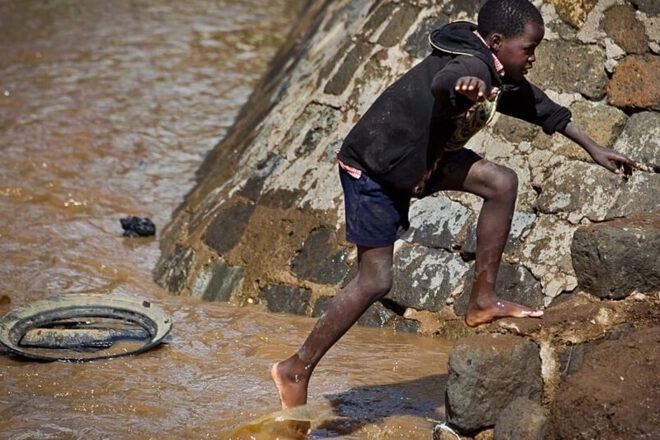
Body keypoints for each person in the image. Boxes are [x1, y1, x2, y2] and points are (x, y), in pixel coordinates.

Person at [272, 0, 635, 409]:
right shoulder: (472, 67)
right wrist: (464, 87)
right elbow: (446, 80)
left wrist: (595, 148)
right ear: (497, 43)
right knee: (375, 280)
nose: (532, 58)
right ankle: (296, 368)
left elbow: (541, 108)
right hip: (375, 167)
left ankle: (482, 302)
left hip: (422, 160)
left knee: (501, 183)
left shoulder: (498, 69)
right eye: (528, 49)